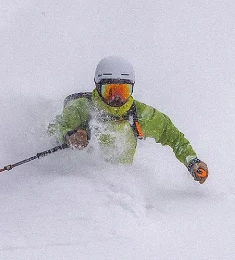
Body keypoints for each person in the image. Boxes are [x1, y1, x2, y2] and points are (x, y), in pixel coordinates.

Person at [47, 56, 208, 184]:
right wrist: (69, 136)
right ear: (97, 86)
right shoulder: (81, 108)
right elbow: (53, 129)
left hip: (120, 187)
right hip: (80, 184)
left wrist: (192, 162)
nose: (117, 99)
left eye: (123, 91)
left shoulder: (138, 114)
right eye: (110, 91)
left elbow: (172, 135)